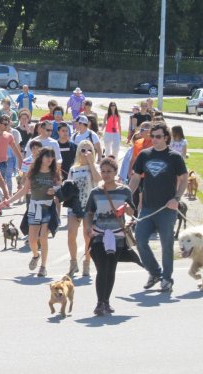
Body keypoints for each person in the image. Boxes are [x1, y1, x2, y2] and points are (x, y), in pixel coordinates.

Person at [129, 122, 188, 292]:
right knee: (139, 240)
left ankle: (167, 279)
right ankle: (155, 272)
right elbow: (135, 178)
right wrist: (126, 195)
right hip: (147, 207)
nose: (154, 140)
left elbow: (184, 178)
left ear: (166, 138)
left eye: (158, 137)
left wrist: (176, 198)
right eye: (152, 136)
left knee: (166, 245)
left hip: (167, 209)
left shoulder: (174, 157)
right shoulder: (144, 155)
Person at [84, 157, 136, 315]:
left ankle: (106, 301)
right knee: (102, 268)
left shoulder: (124, 191)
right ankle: (100, 303)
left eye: (109, 171)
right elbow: (89, 212)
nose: (106, 174)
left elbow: (132, 211)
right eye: (103, 171)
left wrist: (127, 208)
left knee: (111, 269)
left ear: (115, 172)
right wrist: (87, 226)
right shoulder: (96, 192)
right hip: (99, 235)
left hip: (117, 236)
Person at [3, 147, 61, 277]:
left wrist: (55, 191)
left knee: (43, 237)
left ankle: (43, 266)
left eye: (52, 157)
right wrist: (8, 201)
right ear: (41, 157)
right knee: (32, 239)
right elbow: (24, 190)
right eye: (47, 156)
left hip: (47, 207)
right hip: (34, 207)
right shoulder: (33, 172)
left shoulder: (54, 173)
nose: (50, 159)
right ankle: (36, 255)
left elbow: (61, 187)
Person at [66, 141, 101, 278]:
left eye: (89, 150)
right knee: (71, 234)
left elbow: (98, 180)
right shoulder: (73, 168)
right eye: (83, 150)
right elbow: (68, 185)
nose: (86, 152)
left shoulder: (95, 166)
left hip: (88, 206)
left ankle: (87, 262)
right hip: (74, 205)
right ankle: (73, 263)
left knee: (87, 236)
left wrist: (91, 163)